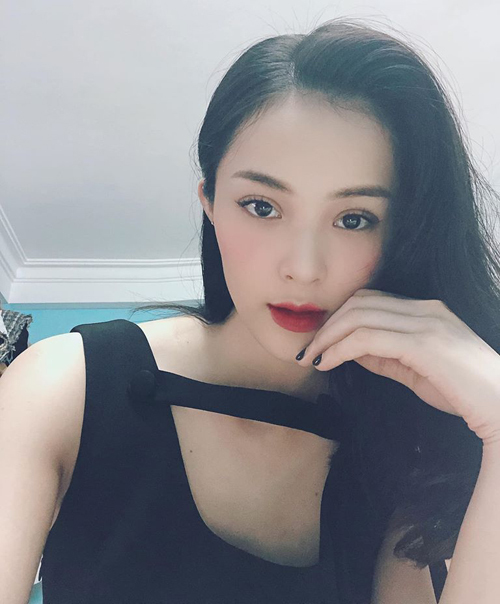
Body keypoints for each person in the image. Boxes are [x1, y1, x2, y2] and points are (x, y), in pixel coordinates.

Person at [1, 16, 500, 604]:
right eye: (262, 206)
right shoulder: (67, 386)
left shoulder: (390, 462)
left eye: (354, 219)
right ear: (210, 203)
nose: (304, 268)